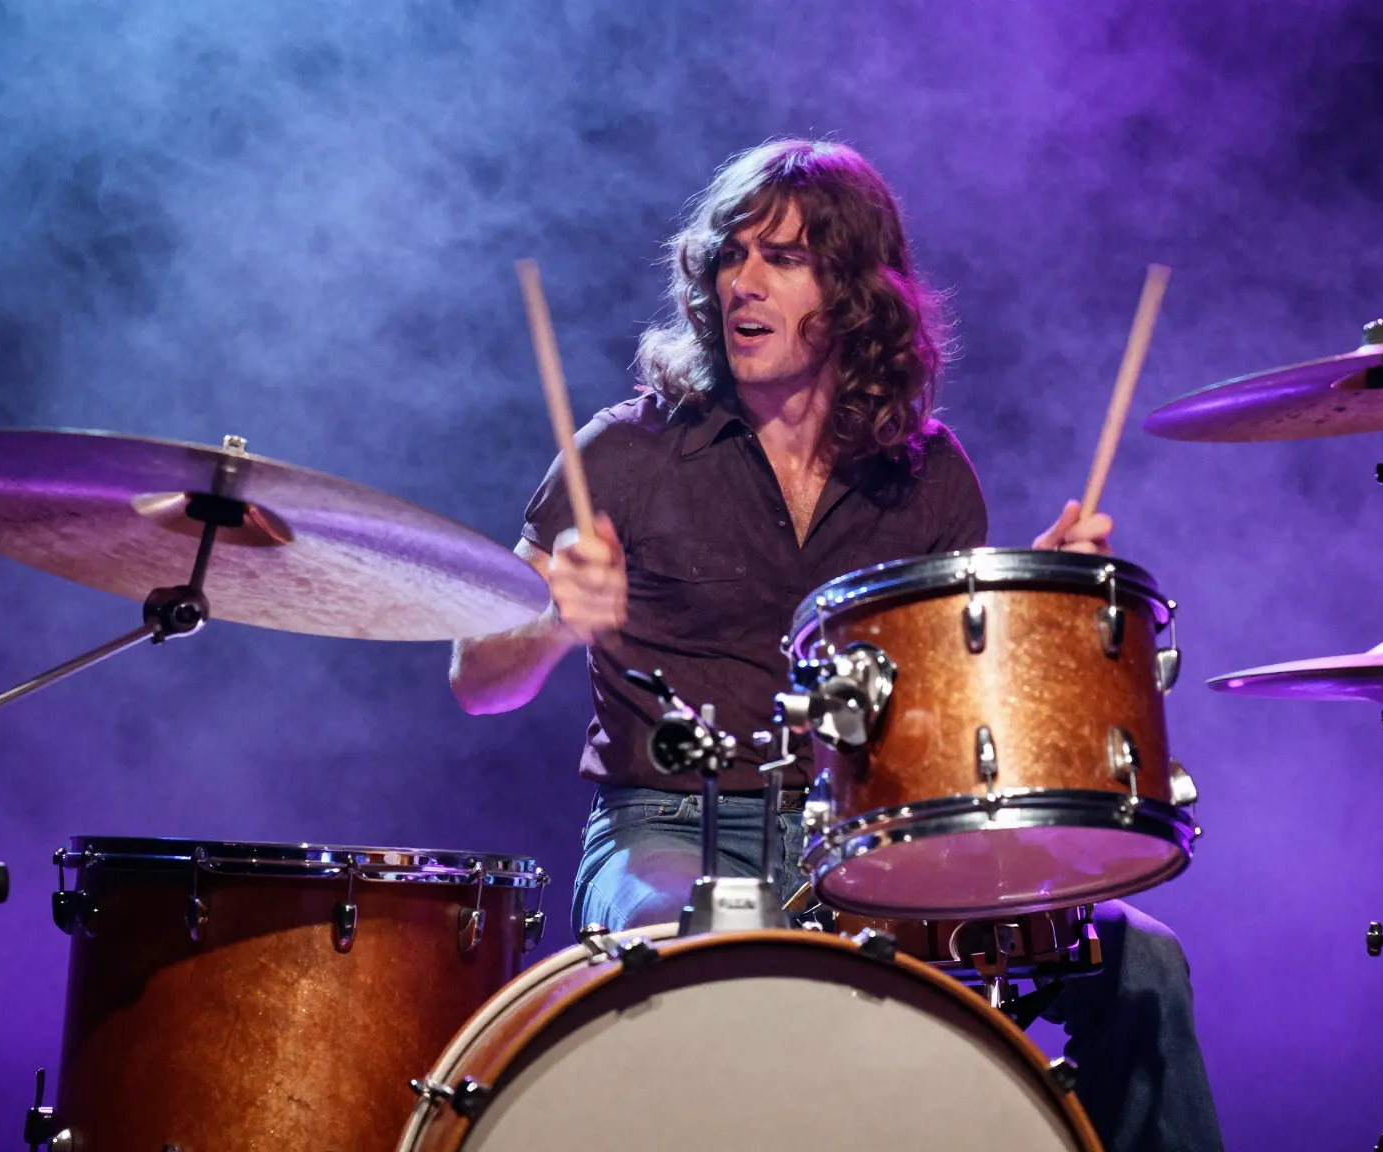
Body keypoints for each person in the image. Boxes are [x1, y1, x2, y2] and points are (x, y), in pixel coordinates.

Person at [450, 139, 1223, 1152]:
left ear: (856, 294)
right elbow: (476, 681)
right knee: (703, 956)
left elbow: (951, 718)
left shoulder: (928, 477)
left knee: (1143, 966)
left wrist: (1042, 623)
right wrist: (556, 618)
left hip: (873, 842)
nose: (743, 282)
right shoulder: (625, 452)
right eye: (731, 255)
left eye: (783, 258)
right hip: (671, 825)